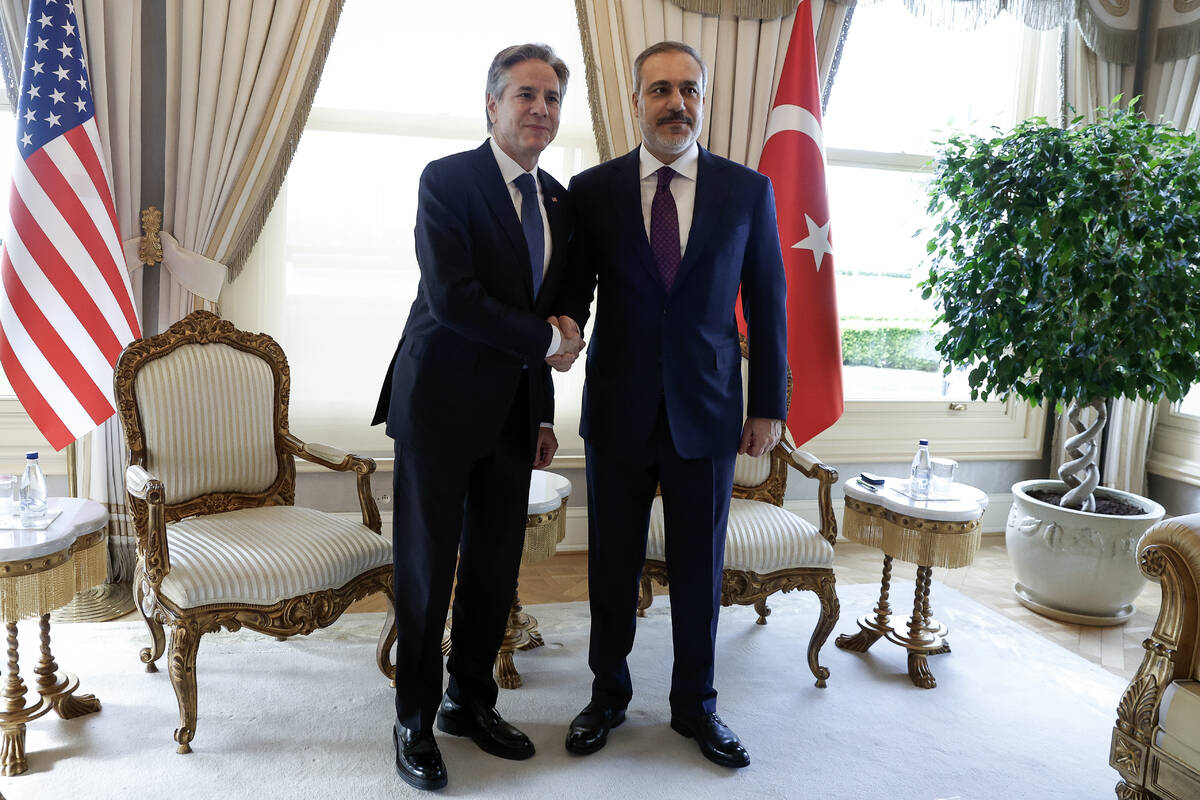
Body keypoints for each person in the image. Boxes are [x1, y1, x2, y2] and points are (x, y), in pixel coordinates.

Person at [555, 41, 787, 769]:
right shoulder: (591, 190)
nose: (676, 103)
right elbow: (572, 294)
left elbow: (770, 304)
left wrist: (769, 403)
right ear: (635, 101)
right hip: (618, 408)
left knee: (697, 568)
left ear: (703, 100)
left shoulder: (747, 191)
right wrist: (558, 335)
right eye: (660, 89)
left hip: (711, 409)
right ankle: (607, 694)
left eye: (689, 90)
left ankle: (697, 706)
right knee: (610, 566)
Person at [371, 43, 583, 791]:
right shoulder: (448, 180)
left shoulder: (559, 199)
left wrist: (546, 406)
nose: (540, 109)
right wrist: (550, 340)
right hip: (437, 404)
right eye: (526, 95)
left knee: (493, 569)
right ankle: (413, 721)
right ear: (492, 105)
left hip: (514, 413)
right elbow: (455, 297)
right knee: (428, 572)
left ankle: (470, 701)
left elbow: (554, 309)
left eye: (552, 98)